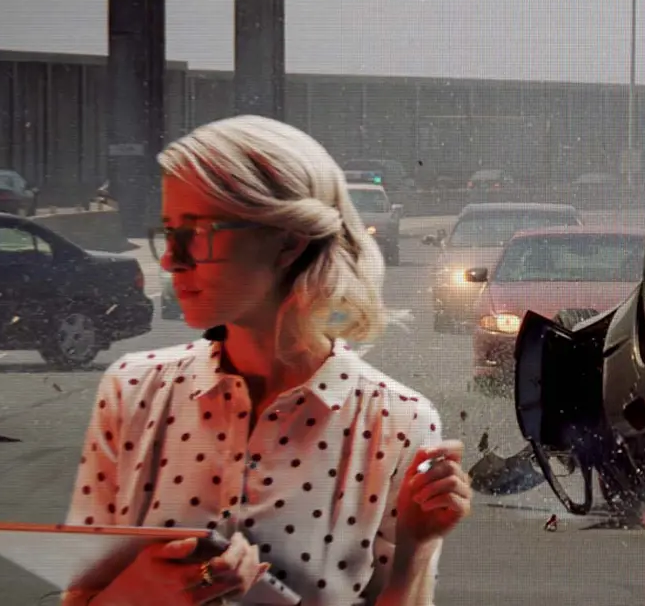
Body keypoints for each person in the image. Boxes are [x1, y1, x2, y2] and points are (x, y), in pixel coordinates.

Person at [62, 115, 472, 606]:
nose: (171, 260)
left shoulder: (399, 421)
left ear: (288, 241)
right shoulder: (131, 390)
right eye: (168, 232)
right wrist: (143, 592)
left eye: (198, 233)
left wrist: (417, 548)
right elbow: (82, 594)